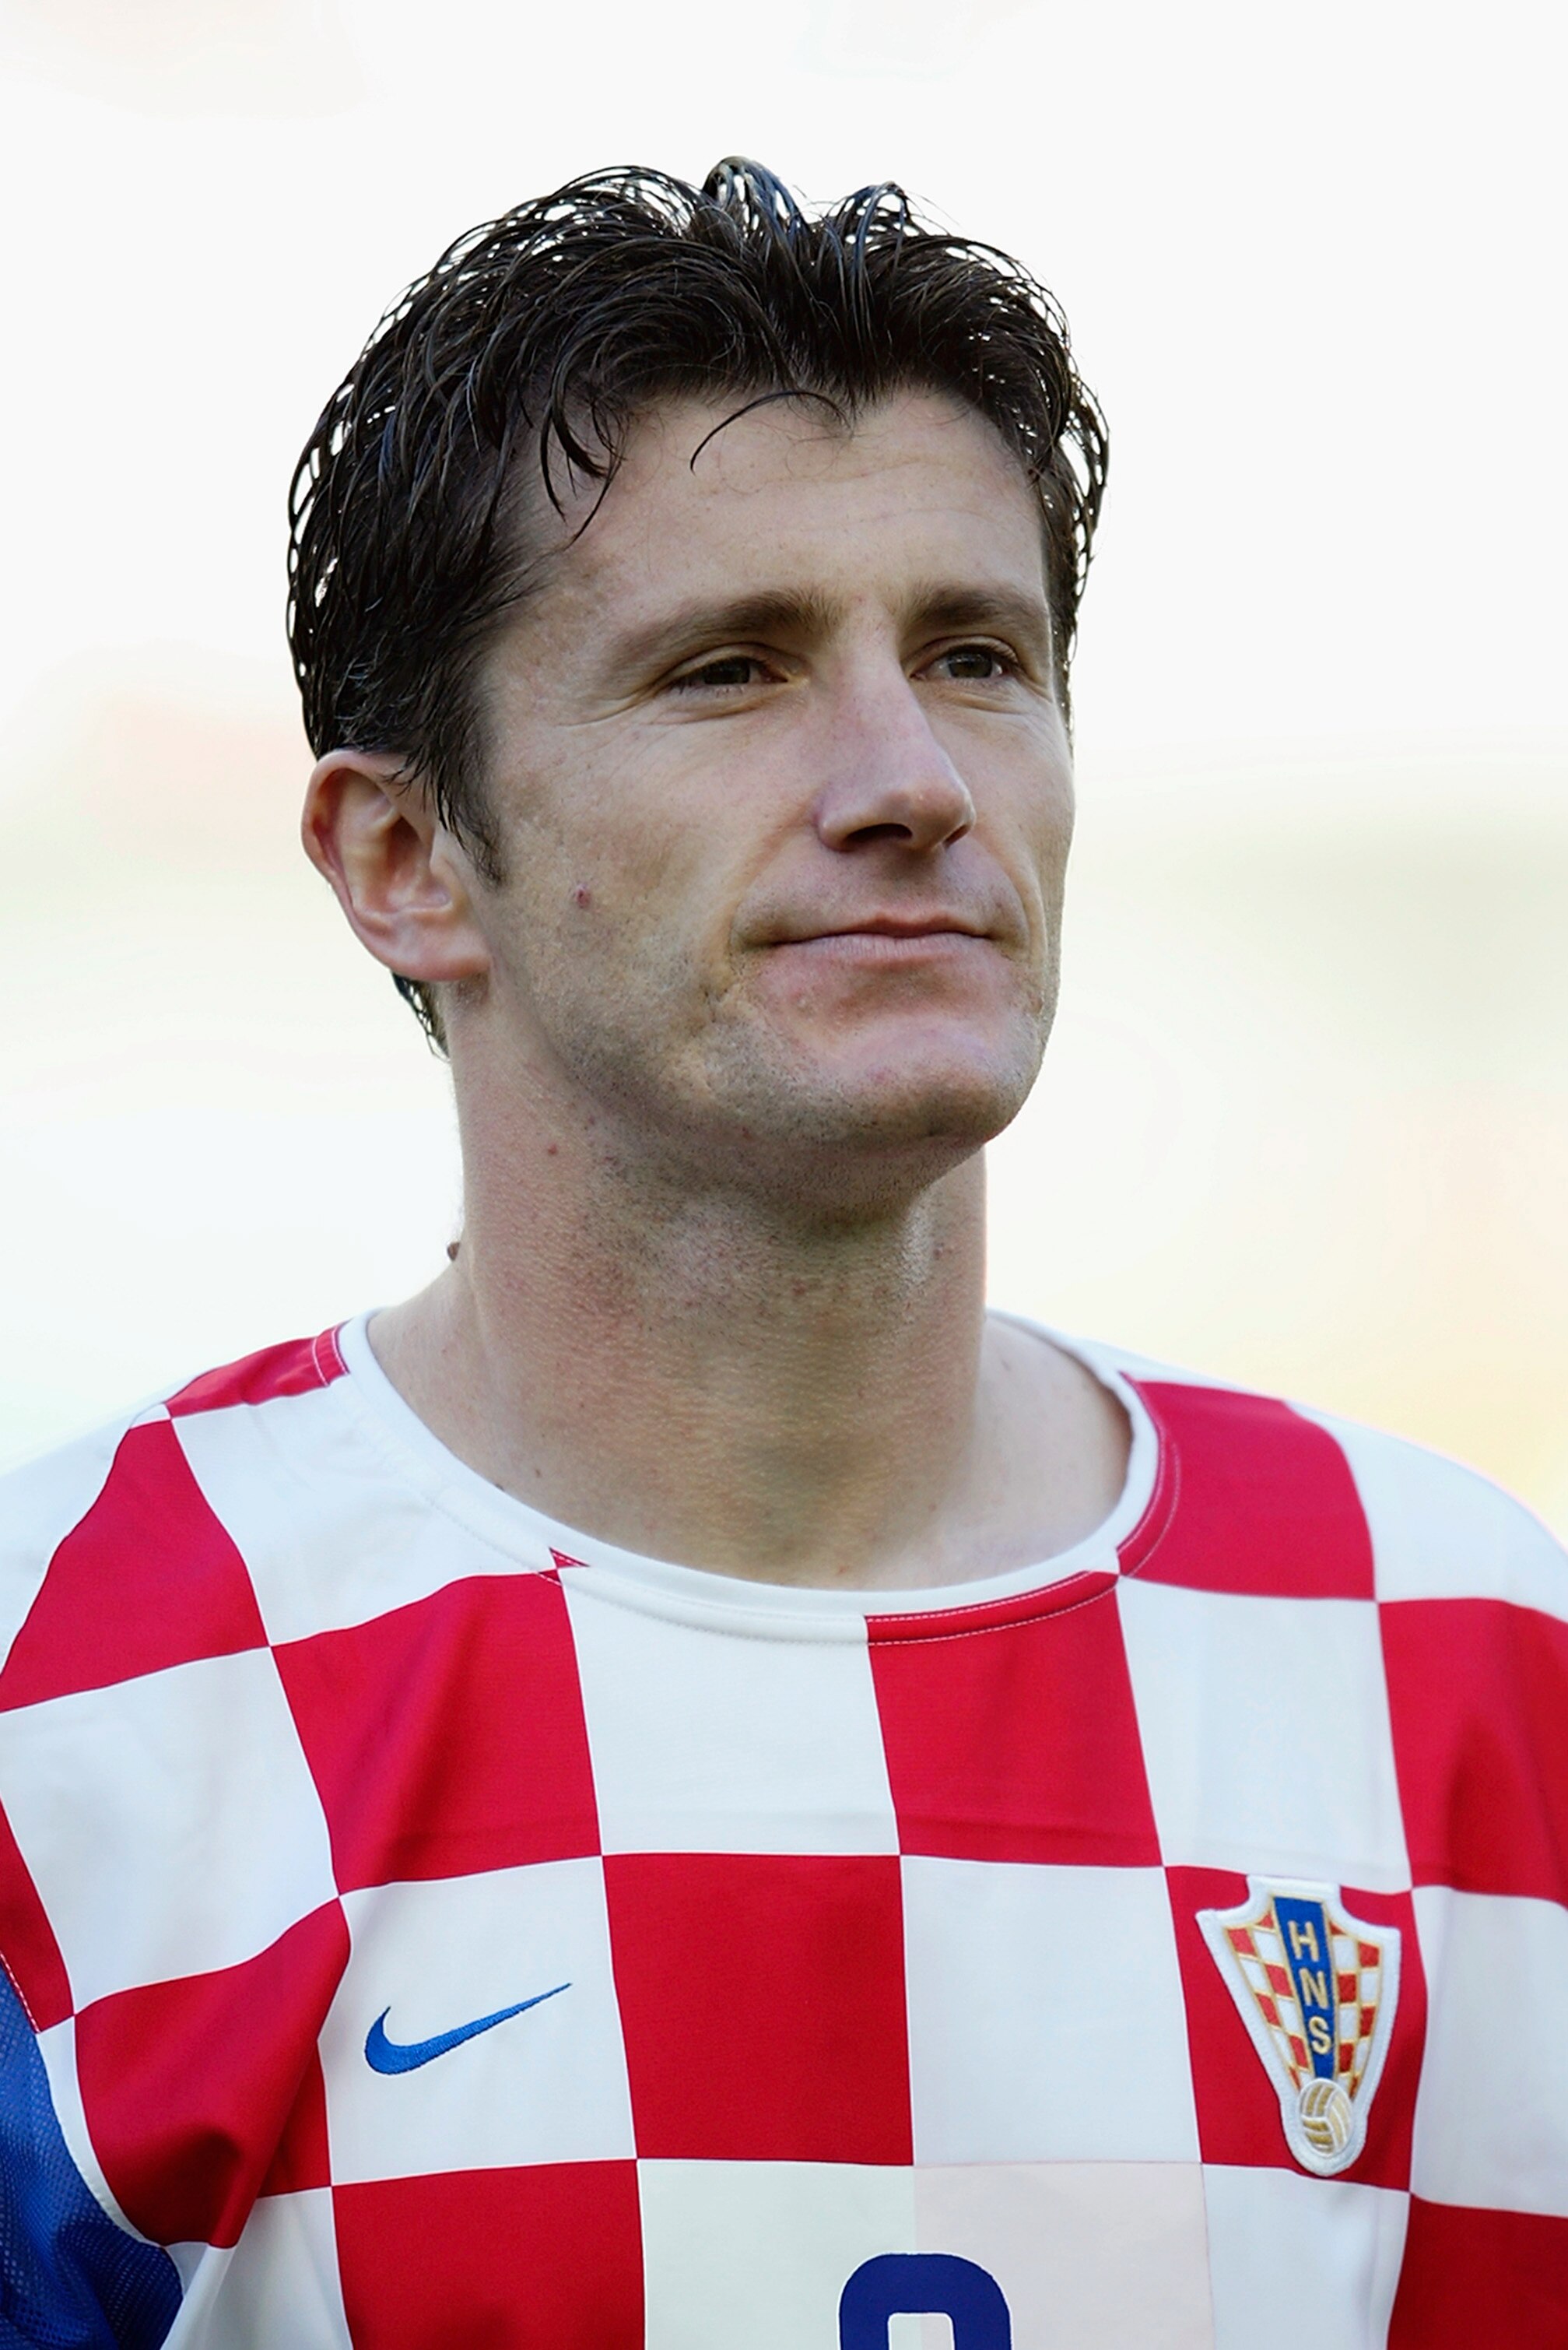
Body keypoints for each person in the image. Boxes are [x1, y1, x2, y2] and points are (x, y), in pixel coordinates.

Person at [0, 159, 1563, 2350]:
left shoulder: (1472, 1658)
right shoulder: (67, 1695)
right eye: (729, 670)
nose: (913, 775)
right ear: (401, 856)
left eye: (976, 654)